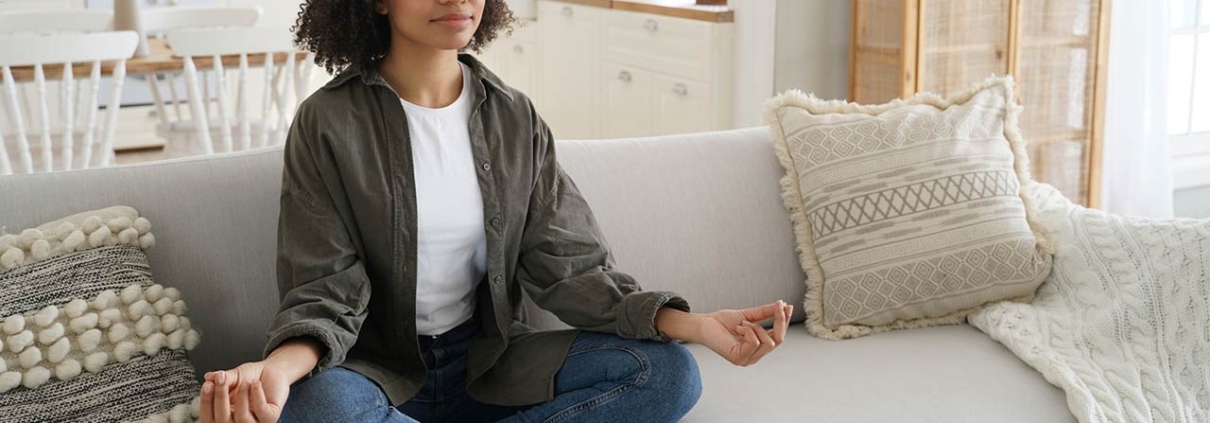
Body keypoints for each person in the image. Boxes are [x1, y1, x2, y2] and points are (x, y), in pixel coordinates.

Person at [197, 0, 792, 422]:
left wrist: (696, 325)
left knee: (668, 374)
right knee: (319, 407)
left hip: (490, 364)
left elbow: (572, 268)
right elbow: (323, 287)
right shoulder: (328, 122)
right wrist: (278, 369)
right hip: (377, 373)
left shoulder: (515, 118)